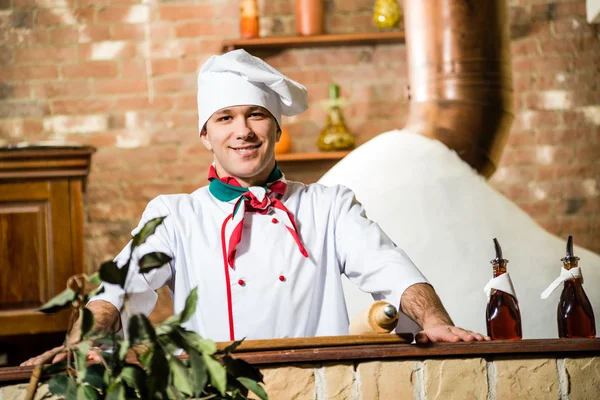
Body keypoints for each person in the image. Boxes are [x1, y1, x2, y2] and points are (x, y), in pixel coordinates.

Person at [22, 50, 487, 366]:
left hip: (319, 385)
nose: (242, 130)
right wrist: (85, 342)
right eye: (225, 118)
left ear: (276, 129)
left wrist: (436, 322)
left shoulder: (329, 205)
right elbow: (118, 289)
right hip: (217, 389)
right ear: (206, 135)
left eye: (256, 114)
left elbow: (390, 269)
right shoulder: (173, 215)